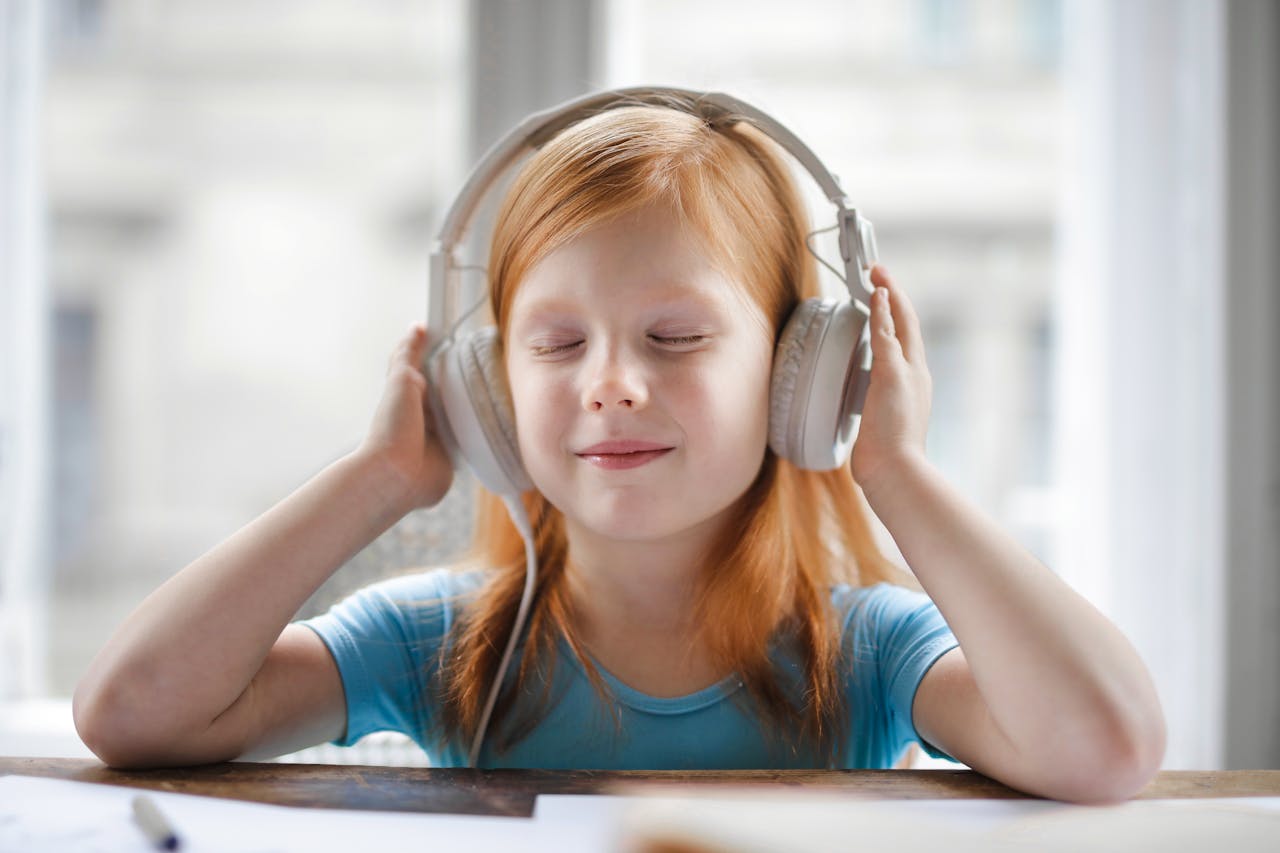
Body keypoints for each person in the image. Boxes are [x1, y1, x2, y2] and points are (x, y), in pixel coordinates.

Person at [74, 97, 1165, 803]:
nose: (610, 381)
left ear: (805, 375)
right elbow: (129, 714)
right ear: (485, 391)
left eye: (675, 336)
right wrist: (378, 482)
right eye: (555, 343)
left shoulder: (865, 651)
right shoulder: (446, 643)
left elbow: (1105, 746)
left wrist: (894, 470)